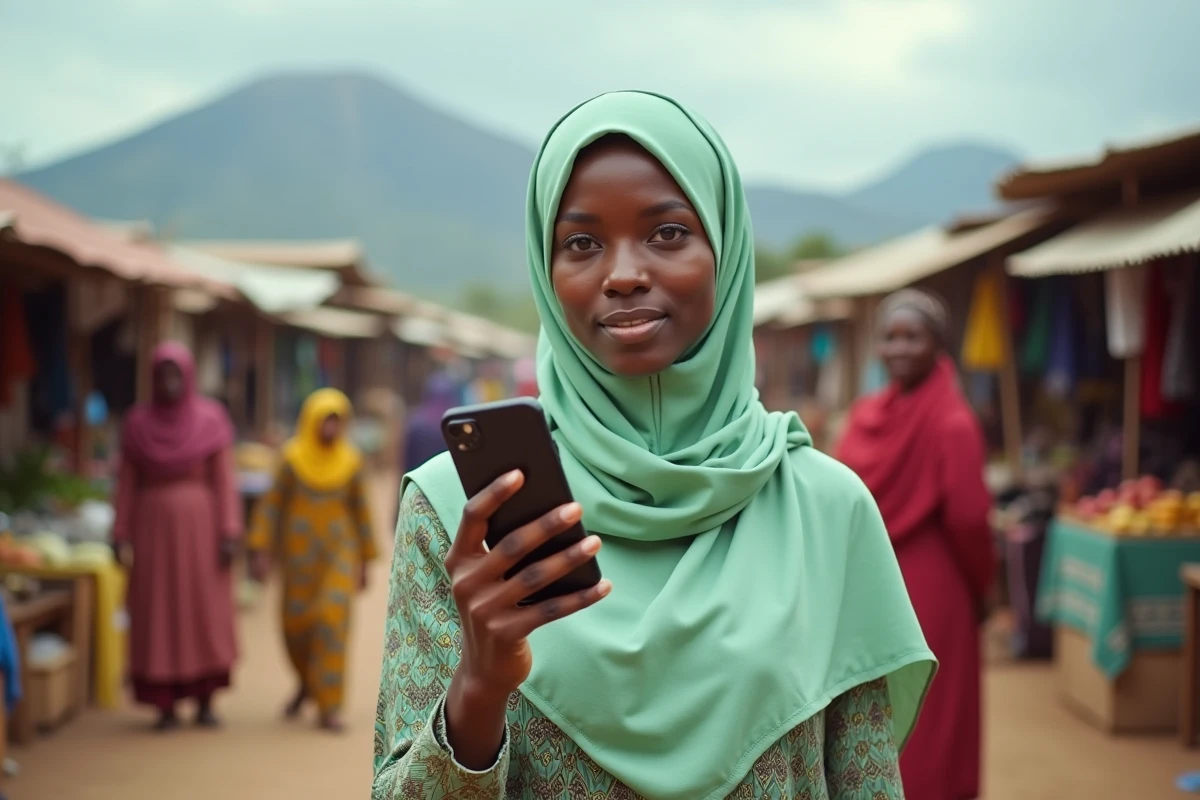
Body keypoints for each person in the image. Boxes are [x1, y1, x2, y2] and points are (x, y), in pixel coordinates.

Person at [374, 92, 935, 799]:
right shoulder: (461, 512)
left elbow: (865, 783)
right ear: (546, 270)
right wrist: (478, 689)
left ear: (725, 250)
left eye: (667, 233)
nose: (623, 274)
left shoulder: (825, 510)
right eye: (581, 244)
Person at [836, 289, 995, 800]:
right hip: (924, 588)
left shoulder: (884, 420)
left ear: (939, 344)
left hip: (892, 586)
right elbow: (971, 520)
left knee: (898, 713)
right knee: (929, 716)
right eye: (890, 337)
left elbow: (967, 518)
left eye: (913, 337)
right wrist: (983, 587)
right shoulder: (942, 419)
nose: (899, 348)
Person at [112, 342, 240, 730]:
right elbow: (126, 483)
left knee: (203, 610)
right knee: (159, 611)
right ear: (153, 378)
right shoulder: (137, 423)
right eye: (162, 375)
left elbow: (224, 480)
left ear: (188, 377)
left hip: (202, 533)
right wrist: (120, 531)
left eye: (176, 374)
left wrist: (229, 530)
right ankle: (164, 703)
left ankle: (205, 700)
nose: (169, 382)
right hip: (153, 535)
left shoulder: (210, 419)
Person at [247, 388, 378, 732]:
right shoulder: (291, 459)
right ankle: (307, 683)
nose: (331, 428)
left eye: (337, 421)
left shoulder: (351, 461)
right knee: (296, 629)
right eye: (325, 421)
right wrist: (260, 549)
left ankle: (329, 706)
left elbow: (362, 512)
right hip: (298, 558)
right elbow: (271, 505)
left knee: (332, 622)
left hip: (340, 553)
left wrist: (365, 562)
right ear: (311, 421)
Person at [400, 371, 464, 473]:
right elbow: (408, 460)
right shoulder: (416, 425)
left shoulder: (455, 426)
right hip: (424, 476)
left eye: (443, 402)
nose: (439, 407)